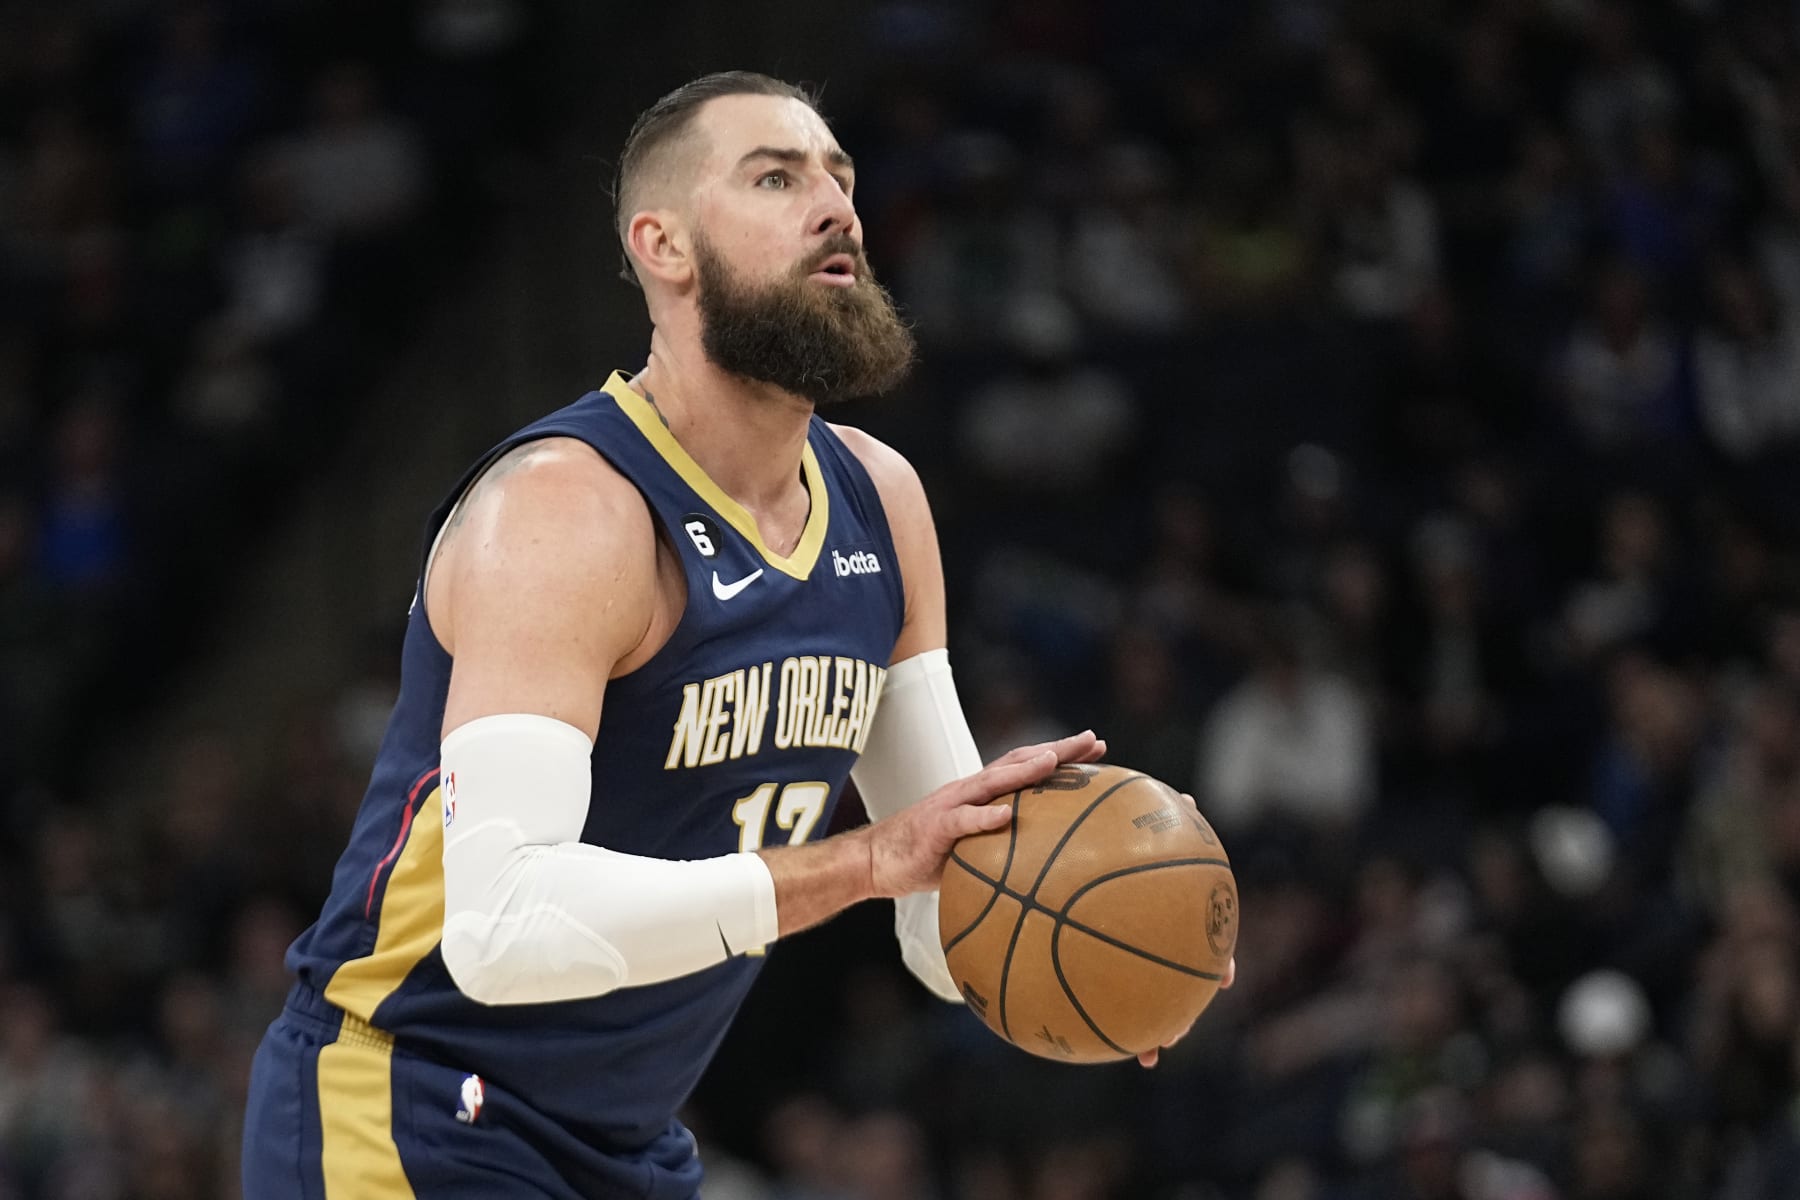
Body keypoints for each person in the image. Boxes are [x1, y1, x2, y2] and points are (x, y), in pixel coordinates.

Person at [240, 71, 1226, 1200]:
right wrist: (861, 862)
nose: (836, 206)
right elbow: (503, 930)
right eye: (776, 178)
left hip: (625, 1137)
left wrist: (1127, 944)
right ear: (663, 246)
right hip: (409, 1102)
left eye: (840, 177)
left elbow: (936, 907)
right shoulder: (570, 511)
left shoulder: (880, 501)